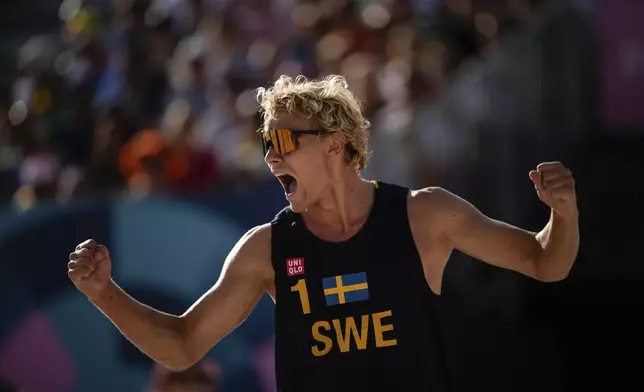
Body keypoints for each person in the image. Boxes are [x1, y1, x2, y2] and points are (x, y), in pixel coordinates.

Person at [68, 75, 579, 392]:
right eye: (266, 142)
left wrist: (564, 214)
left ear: (336, 144)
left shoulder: (423, 215)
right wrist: (103, 293)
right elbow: (181, 347)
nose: (270, 155)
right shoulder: (266, 248)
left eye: (284, 140)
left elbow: (544, 262)